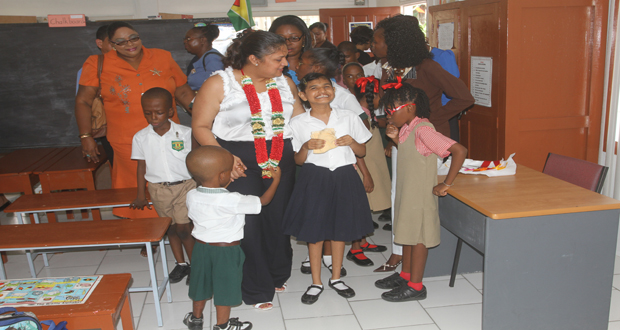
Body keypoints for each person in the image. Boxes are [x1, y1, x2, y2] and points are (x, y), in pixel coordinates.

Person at [192, 30, 305, 310]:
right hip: (238, 159)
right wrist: (224, 158)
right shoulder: (221, 83)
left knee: (278, 219)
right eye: (278, 59)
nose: (285, 64)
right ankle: (255, 288)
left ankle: (278, 273)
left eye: (285, 58)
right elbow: (200, 127)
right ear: (254, 59)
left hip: (281, 156)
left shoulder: (285, 82)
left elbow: (300, 120)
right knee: (249, 224)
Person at [75, 21, 195, 219]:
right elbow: (83, 101)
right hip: (126, 139)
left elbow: (182, 90)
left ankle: (178, 225)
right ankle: (147, 232)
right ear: (111, 44)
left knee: (174, 178)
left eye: (133, 38)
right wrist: (85, 136)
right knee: (136, 183)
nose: (129, 44)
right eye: (120, 42)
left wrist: (201, 115)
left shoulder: (162, 57)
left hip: (169, 135)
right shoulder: (97, 63)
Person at [283, 72, 374, 304]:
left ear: (333, 91)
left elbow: (362, 152)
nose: (322, 91)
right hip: (314, 177)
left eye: (326, 86)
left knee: (340, 228)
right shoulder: (298, 122)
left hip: (344, 175)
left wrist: (351, 142)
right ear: (303, 95)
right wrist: (306, 145)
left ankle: (336, 277)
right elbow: (298, 160)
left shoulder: (348, 117)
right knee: (315, 231)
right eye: (314, 88)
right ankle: (316, 282)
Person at [375, 83, 467, 302]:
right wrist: (395, 139)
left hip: (419, 197)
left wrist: (447, 183)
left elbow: (459, 150)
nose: (388, 116)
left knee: (417, 240)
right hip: (408, 193)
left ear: (410, 108)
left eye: (391, 110)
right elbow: (412, 153)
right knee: (407, 234)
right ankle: (406, 275)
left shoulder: (424, 130)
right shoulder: (408, 127)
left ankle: (416, 286)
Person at [183, 146, 281, 330]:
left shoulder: (191, 195)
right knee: (224, 288)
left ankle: (195, 319)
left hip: (201, 249)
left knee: (200, 284)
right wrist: (276, 180)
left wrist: (226, 181)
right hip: (226, 252)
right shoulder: (234, 200)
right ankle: (223, 325)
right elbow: (263, 201)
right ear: (222, 176)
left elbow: (215, 195)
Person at [129, 87, 196, 283]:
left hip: (185, 185)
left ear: (170, 111)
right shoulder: (140, 137)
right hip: (158, 189)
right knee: (171, 229)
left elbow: (195, 160)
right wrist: (141, 194)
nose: (153, 117)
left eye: (158, 112)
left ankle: (195, 266)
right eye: (147, 113)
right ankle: (181, 264)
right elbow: (141, 167)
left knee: (185, 228)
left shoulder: (185, 133)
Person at [76, 24, 115, 167]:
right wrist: (86, 137)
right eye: (113, 43)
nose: (119, 46)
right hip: (109, 129)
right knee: (119, 166)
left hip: (136, 127)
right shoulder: (92, 68)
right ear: (100, 43)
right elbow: (83, 103)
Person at [269, 15, 313, 85]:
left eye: (294, 38)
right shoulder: (267, 67)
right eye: (281, 39)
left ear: (304, 39)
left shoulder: (316, 65)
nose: (287, 43)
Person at [184, 23, 224, 92]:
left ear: (202, 40)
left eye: (189, 39)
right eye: (185, 39)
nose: (185, 42)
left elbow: (217, 86)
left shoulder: (213, 59)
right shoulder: (198, 58)